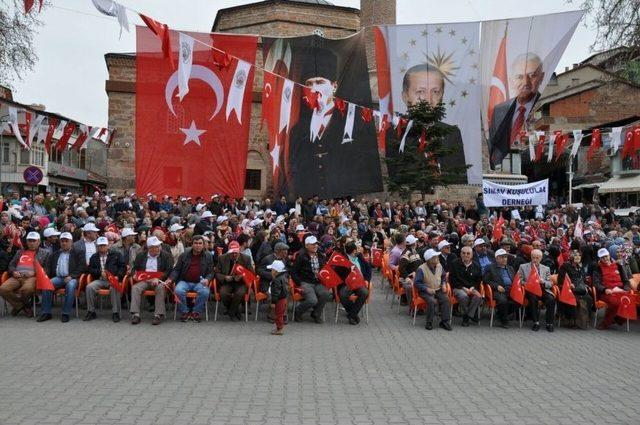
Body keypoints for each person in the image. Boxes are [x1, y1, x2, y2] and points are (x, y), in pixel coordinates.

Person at [288, 47, 382, 198]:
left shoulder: (354, 122)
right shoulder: (298, 129)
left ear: (334, 86)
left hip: (343, 197)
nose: (314, 88)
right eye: (309, 83)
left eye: (319, 82)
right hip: (310, 200)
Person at [388, 63, 466, 183]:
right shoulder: (396, 133)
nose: (428, 100)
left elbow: (460, 179)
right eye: (420, 92)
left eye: (435, 92)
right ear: (405, 97)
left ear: (442, 96)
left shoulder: (452, 134)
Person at [488, 52, 544, 168]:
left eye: (532, 75)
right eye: (519, 77)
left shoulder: (545, 103)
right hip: (501, 170)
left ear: (541, 77)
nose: (525, 83)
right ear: (511, 80)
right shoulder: (499, 110)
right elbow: (493, 144)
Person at [0, 231, 49, 318]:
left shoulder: (45, 253)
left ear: (39, 241)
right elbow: (11, 264)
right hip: (17, 276)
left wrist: (35, 272)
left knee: (26, 289)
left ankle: (19, 306)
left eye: (34, 241)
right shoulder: (20, 252)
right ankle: (23, 306)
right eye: (30, 241)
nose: (32, 243)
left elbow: (48, 269)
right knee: (3, 289)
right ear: (26, 242)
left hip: (32, 277)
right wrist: (13, 271)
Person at [167, 235, 214, 322]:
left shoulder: (208, 256)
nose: (198, 245)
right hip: (185, 281)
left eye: (200, 243)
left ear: (203, 245)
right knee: (178, 291)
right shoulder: (184, 255)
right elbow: (176, 270)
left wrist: (207, 279)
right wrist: (170, 279)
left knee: (205, 292)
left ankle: (196, 312)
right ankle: (185, 312)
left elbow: (211, 272)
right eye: (195, 243)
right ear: (192, 244)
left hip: (200, 282)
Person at [38, 232, 83, 323]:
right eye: (62, 241)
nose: (64, 243)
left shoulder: (78, 253)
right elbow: (48, 268)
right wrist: (44, 276)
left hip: (72, 278)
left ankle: (65, 313)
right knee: (47, 284)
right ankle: (46, 313)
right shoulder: (55, 254)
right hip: (58, 277)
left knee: (70, 286)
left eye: (66, 241)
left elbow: (82, 267)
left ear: (71, 242)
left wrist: (72, 276)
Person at [129, 236, 174, 326]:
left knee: (160, 288)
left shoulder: (166, 256)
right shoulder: (141, 255)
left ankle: (157, 315)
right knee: (135, 288)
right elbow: (134, 268)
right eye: (155, 247)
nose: (158, 248)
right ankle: (136, 314)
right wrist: (134, 274)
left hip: (159, 280)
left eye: (159, 246)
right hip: (145, 279)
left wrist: (159, 278)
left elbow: (168, 270)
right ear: (149, 248)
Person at [84, 237, 126, 322]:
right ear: (97, 246)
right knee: (89, 287)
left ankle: (115, 312)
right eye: (100, 246)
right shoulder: (94, 257)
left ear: (107, 246)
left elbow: (123, 267)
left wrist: (118, 276)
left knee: (114, 287)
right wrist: (99, 272)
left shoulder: (116, 255)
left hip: (113, 279)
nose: (102, 247)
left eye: (104, 245)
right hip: (100, 279)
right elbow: (90, 269)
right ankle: (91, 311)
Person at [290, 235, 331, 323]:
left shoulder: (321, 256)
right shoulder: (301, 256)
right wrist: (298, 282)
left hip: (318, 282)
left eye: (316, 244)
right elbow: (293, 271)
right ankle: (298, 311)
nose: (315, 246)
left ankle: (316, 313)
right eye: (312, 244)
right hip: (305, 282)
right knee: (312, 300)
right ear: (307, 245)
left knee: (326, 294)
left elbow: (325, 269)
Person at [592, 247, 631, 330]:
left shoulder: (618, 266)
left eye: (606, 256)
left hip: (620, 290)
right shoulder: (597, 268)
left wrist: (626, 289)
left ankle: (617, 319)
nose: (605, 258)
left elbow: (626, 281)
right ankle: (605, 323)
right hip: (606, 292)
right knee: (615, 303)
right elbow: (596, 283)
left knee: (628, 300)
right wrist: (605, 289)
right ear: (600, 258)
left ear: (609, 255)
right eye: (602, 257)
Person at [215, 240, 254, 322]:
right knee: (223, 293)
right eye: (232, 252)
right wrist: (225, 277)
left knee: (239, 293)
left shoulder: (246, 258)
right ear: (228, 251)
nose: (234, 254)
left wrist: (242, 276)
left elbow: (251, 273)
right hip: (227, 282)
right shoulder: (221, 258)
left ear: (239, 250)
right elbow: (217, 273)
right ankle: (236, 310)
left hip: (241, 283)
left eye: (236, 252)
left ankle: (232, 312)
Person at [518, 248, 555, 332]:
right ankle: (536, 322)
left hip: (542, 289)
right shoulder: (523, 267)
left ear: (541, 258)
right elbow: (519, 280)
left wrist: (543, 281)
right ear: (531, 257)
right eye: (533, 257)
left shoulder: (546, 268)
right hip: (530, 289)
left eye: (537, 258)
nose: (535, 260)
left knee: (551, 299)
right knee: (533, 298)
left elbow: (550, 283)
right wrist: (527, 283)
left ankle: (549, 323)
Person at [414, 249, 452, 331]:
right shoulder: (421, 269)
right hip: (425, 290)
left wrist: (444, 284)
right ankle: (429, 322)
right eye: (436, 257)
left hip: (438, 288)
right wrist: (426, 289)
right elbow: (417, 283)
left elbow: (443, 277)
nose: (438, 258)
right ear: (430, 260)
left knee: (446, 299)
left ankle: (444, 322)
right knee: (431, 301)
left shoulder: (439, 265)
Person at [557, 249, 593, 329]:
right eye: (575, 255)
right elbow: (560, 279)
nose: (578, 257)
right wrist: (569, 284)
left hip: (580, 288)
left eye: (579, 255)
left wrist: (585, 285)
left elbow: (583, 279)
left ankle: (584, 321)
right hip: (569, 289)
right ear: (571, 257)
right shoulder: (565, 266)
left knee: (589, 299)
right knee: (576, 300)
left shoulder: (581, 266)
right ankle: (572, 322)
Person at [337, 240, 370, 325]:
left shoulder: (359, 256)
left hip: (360, 282)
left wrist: (366, 279)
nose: (359, 250)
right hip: (347, 283)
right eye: (357, 248)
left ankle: (351, 315)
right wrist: (348, 271)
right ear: (354, 251)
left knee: (364, 292)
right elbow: (338, 274)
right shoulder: (343, 259)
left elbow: (368, 269)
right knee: (342, 295)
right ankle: (353, 313)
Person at [448, 246, 482, 326]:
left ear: (472, 255)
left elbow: (479, 280)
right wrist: (464, 288)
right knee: (464, 296)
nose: (465, 255)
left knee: (478, 297)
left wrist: (472, 288)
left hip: (472, 288)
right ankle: (467, 318)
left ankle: (467, 315)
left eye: (468, 253)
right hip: (458, 287)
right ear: (460, 254)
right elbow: (452, 280)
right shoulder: (455, 263)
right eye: (463, 253)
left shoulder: (476, 265)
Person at [483, 248, 517, 328]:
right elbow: (485, 280)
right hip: (497, 290)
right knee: (503, 300)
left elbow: (515, 280)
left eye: (505, 257)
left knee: (518, 300)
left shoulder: (510, 268)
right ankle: (504, 320)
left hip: (510, 289)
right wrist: (496, 286)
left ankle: (501, 313)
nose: (504, 259)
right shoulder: (490, 267)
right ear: (496, 258)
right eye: (502, 257)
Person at [267, 259, 289, 335]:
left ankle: (280, 329)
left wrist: (273, 302)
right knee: (280, 314)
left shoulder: (276, 280)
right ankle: (278, 328)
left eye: (272, 270)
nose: (271, 272)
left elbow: (276, 292)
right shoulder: (283, 277)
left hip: (279, 300)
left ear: (276, 271)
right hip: (283, 299)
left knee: (278, 315)